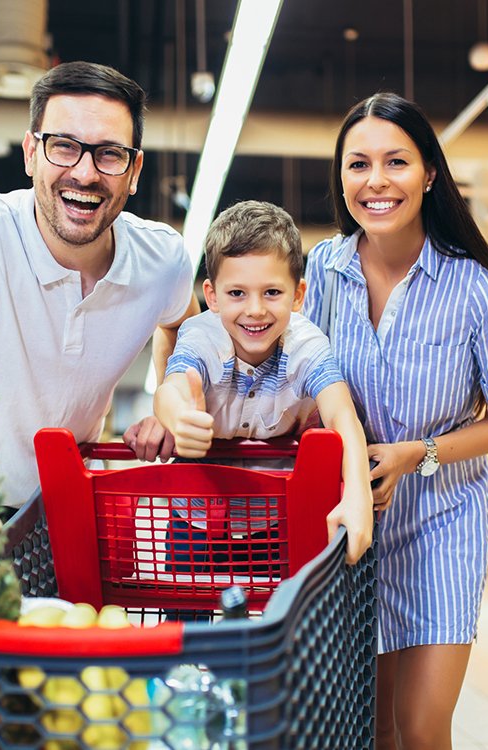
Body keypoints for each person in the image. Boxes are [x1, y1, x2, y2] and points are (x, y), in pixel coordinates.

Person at [302, 93, 488, 749]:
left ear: (429, 173)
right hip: (352, 520)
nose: (376, 181)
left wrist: (418, 453)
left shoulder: (475, 292)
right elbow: (298, 379)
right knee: (372, 723)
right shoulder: (322, 271)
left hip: (442, 519)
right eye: (358, 164)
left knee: (422, 722)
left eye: (396, 162)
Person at [0, 61, 199, 508]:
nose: (86, 173)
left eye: (110, 154)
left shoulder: (161, 260)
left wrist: (169, 407)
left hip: (61, 503)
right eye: (64, 146)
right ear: (31, 153)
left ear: (134, 172)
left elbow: (187, 335)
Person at [154, 200, 374, 566]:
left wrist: (357, 495)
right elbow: (173, 388)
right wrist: (178, 417)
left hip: (271, 517)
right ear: (212, 297)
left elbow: (342, 416)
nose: (255, 309)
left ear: (298, 295)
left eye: (272, 292)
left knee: (273, 613)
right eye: (236, 293)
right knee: (186, 612)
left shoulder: (307, 346)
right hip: (192, 513)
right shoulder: (202, 336)